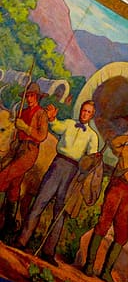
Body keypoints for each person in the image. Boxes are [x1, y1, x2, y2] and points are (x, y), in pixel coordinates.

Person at [17, 100, 100, 261]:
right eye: (84, 110)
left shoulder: (92, 136)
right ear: (80, 111)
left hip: (73, 172)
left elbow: (90, 159)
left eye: (89, 112)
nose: (85, 114)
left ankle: (48, 252)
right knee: (39, 202)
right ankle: (22, 240)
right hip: (57, 165)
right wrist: (53, 118)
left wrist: (93, 160)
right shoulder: (69, 124)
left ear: (92, 115)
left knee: (60, 212)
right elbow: (55, 127)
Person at [81, 125, 128, 282]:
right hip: (116, 188)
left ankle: (105, 272)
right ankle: (89, 265)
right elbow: (114, 143)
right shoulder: (126, 150)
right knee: (103, 224)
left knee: (122, 237)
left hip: (127, 195)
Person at [0, 84, 50, 232]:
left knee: (5, 175)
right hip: (19, 147)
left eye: (32, 95)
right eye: (27, 96)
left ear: (38, 97)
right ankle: (9, 224)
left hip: (30, 150)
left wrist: (25, 127)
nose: (29, 98)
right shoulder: (23, 111)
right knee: (14, 185)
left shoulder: (41, 114)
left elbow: (42, 136)